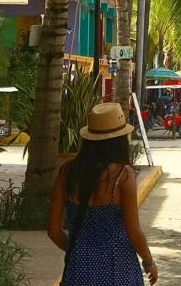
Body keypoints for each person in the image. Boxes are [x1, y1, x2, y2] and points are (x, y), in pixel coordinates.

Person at [48, 103, 158, 286]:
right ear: (119, 140)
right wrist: (148, 261)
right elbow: (134, 232)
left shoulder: (67, 172)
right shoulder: (122, 176)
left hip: (79, 271)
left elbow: (53, 231)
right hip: (120, 268)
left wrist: (78, 250)